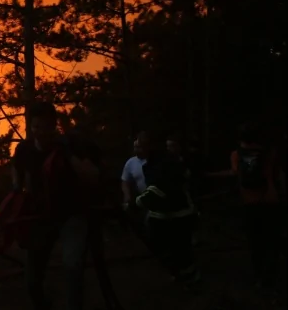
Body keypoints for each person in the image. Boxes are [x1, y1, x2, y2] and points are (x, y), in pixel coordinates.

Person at [11, 101, 101, 310]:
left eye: (46, 127)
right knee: (32, 275)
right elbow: (16, 173)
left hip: (72, 215)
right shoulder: (24, 150)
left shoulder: (70, 146)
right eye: (36, 127)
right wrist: (16, 191)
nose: (41, 132)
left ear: (54, 126)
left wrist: (69, 156)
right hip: (41, 217)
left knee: (73, 266)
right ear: (30, 127)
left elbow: (93, 176)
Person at [210, 123, 283, 289]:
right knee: (272, 241)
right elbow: (278, 176)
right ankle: (271, 277)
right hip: (271, 201)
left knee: (255, 241)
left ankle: (259, 277)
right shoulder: (270, 153)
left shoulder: (236, 155)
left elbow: (234, 173)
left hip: (249, 203)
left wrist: (210, 175)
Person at [135, 149, 200, 287]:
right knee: (177, 249)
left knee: (181, 250)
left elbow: (157, 191)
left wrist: (135, 203)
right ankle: (184, 275)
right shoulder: (170, 165)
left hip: (177, 215)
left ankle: (190, 279)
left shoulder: (164, 167)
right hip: (169, 215)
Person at [121, 132, 150, 211]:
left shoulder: (153, 161)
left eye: (138, 147)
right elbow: (125, 181)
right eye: (135, 147)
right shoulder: (131, 162)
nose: (136, 150)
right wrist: (127, 196)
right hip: (140, 201)